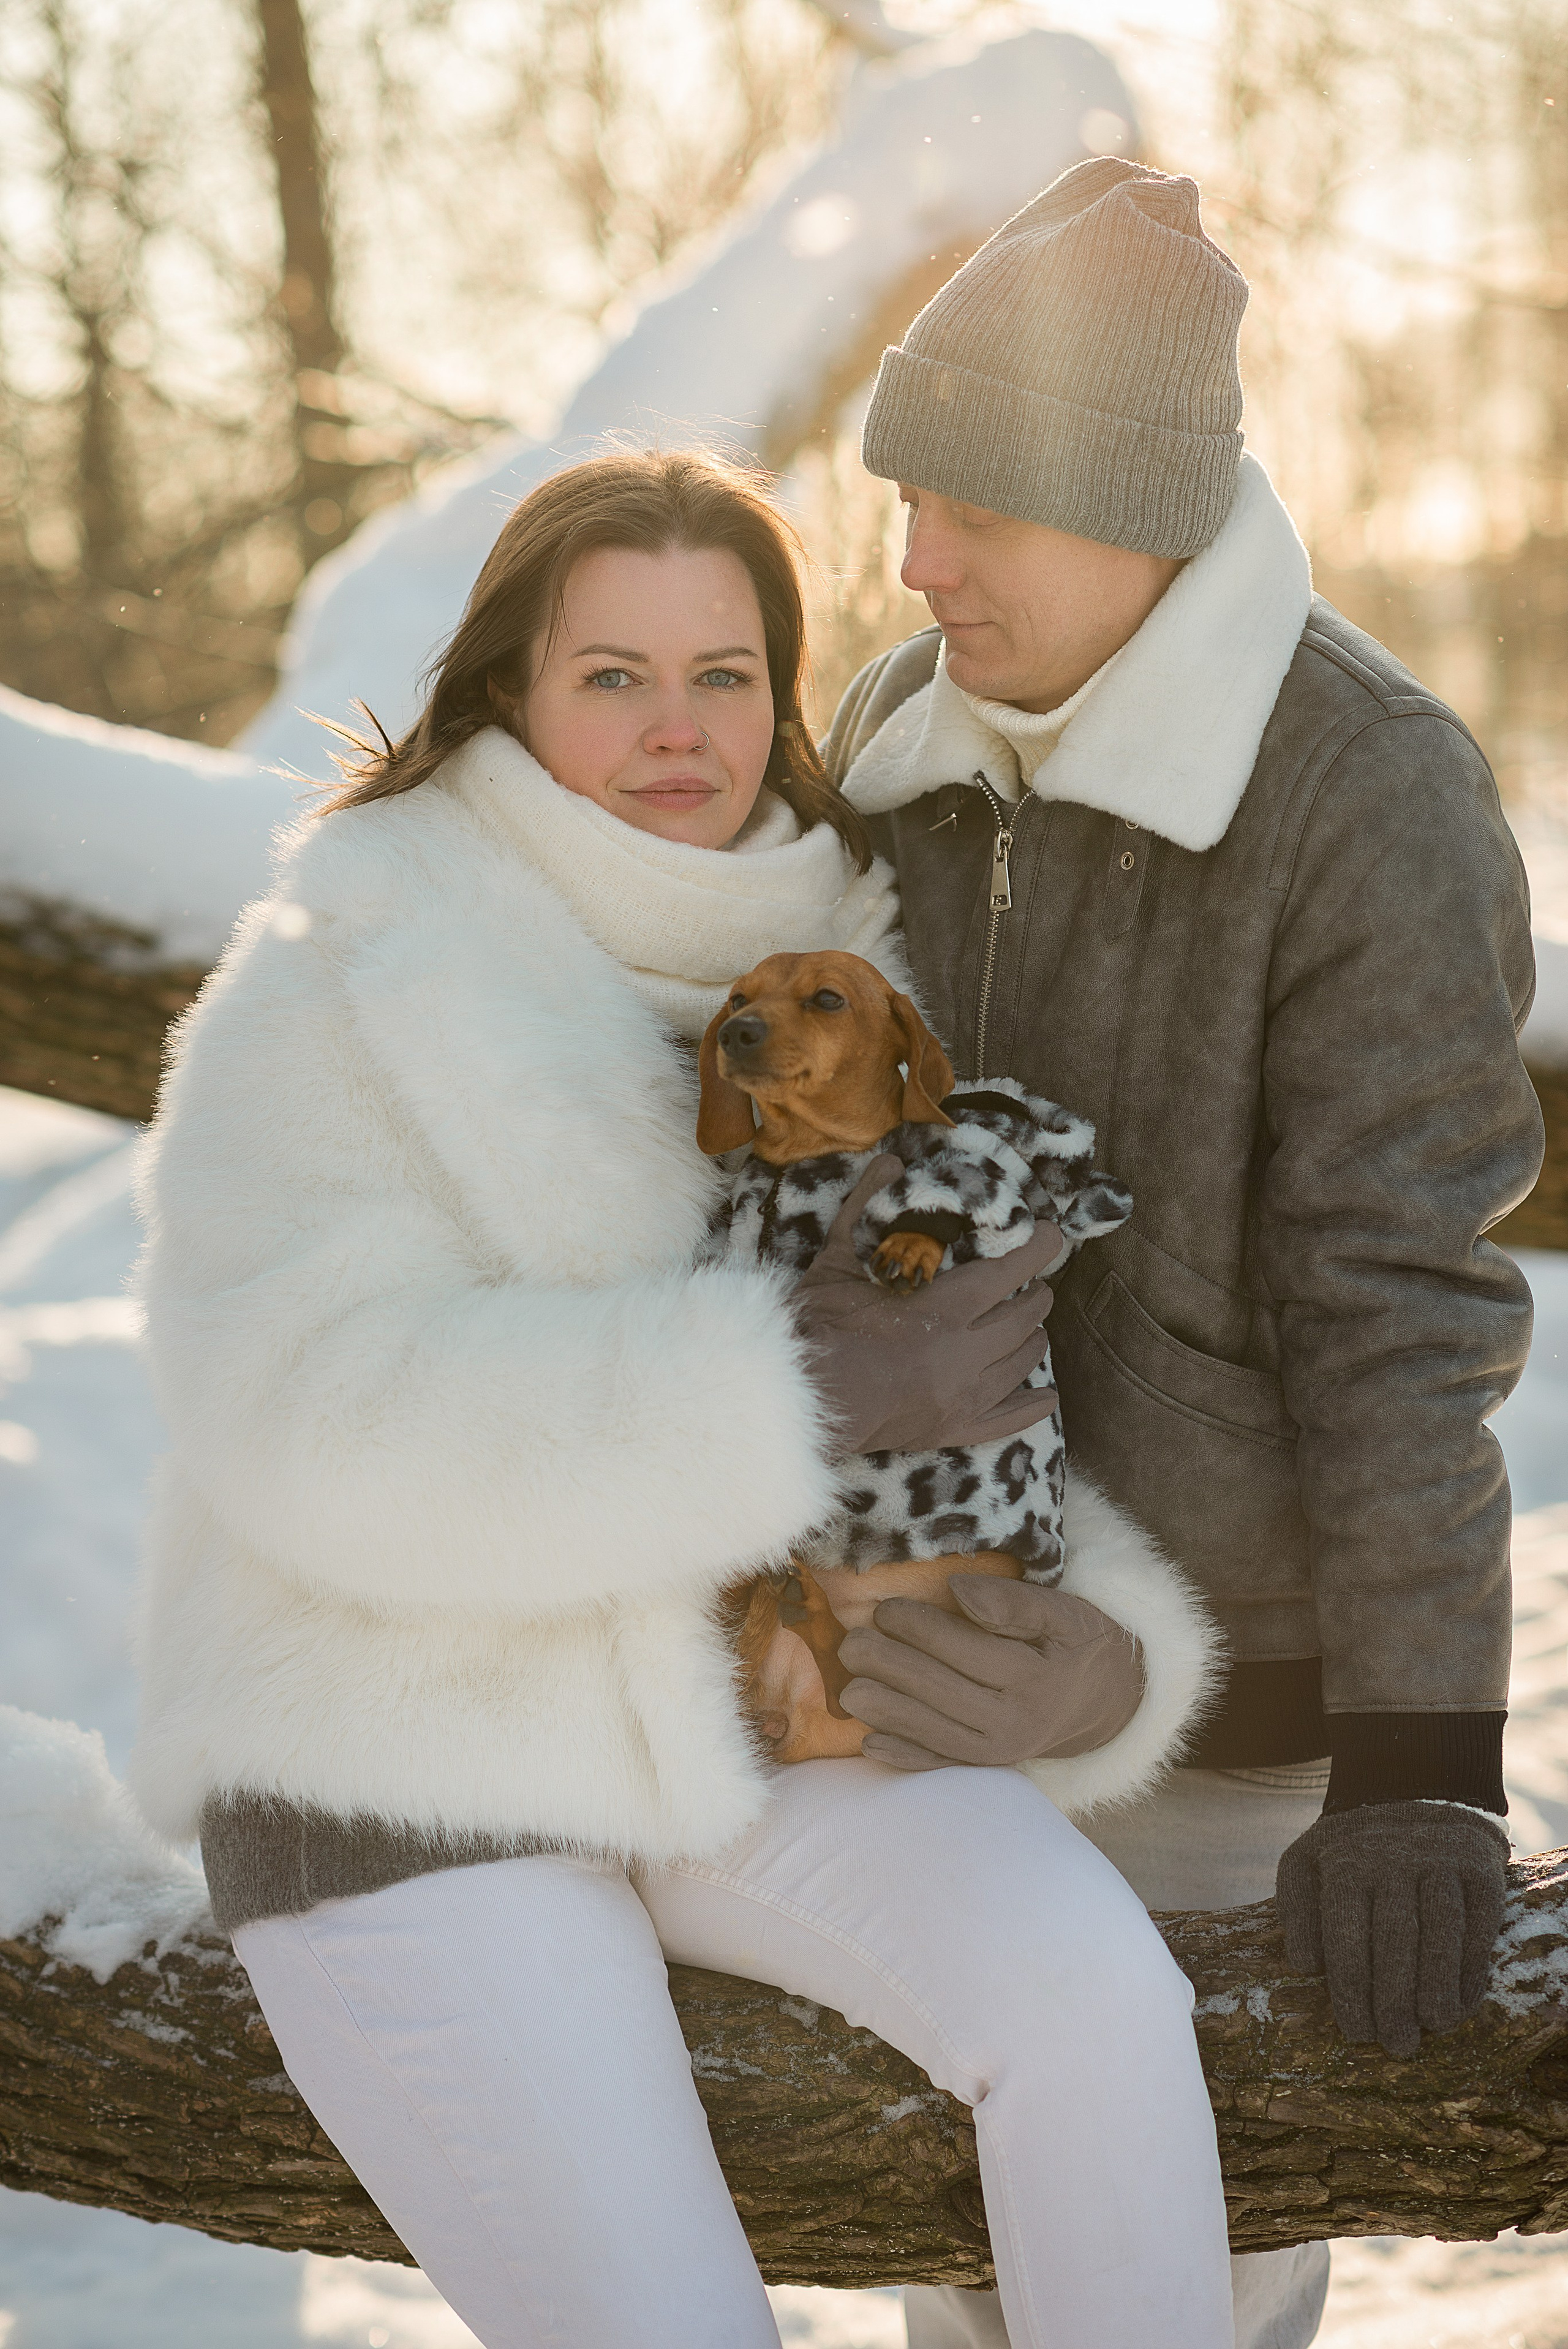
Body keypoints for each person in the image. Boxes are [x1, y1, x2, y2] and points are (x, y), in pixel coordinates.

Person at [129, 447, 1236, 2349]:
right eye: (612, 674)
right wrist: (766, 1385)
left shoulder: (838, 971)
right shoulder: (352, 966)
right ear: (509, 691)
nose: (676, 728)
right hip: (414, 1755)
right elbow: (296, 1406)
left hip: (763, 1716)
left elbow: (964, 1384)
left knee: (1093, 1998)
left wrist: (1105, 1649)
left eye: (724, 673)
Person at [817, 157, 1544, 2349]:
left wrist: (1421, 1768)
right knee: (942, 2234)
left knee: (1178, 2277)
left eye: (974, 508)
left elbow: (1401, 1318)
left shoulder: (1370, 791)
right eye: (904, 503)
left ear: (1137, 505)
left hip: (1224, 1712)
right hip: (923, 1654)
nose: (918, 559)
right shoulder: (893, 731)